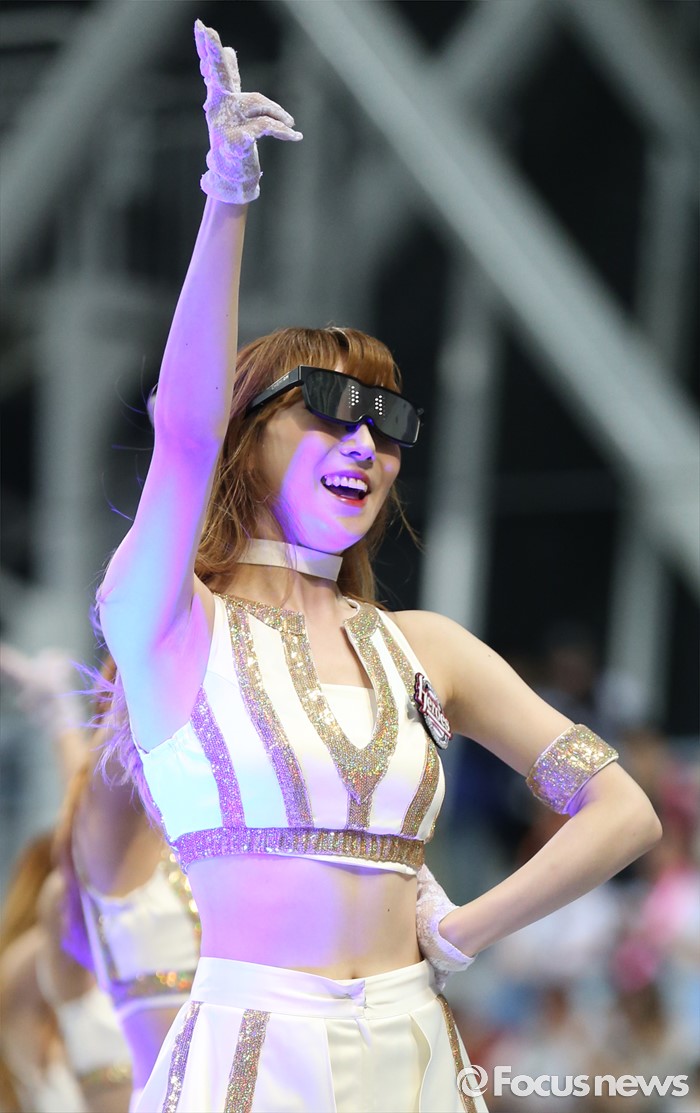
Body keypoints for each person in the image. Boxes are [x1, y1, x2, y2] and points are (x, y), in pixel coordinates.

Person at [96, 21, 662, 1113]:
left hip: (417, 1052)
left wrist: (463, 930)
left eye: (389, 423)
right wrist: (226, 195)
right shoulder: (169, 621)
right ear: (247, 432)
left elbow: (624, 811)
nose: (364, 442)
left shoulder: (426, 650)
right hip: (253, 1056)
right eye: (328, 408)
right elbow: (180, 433)